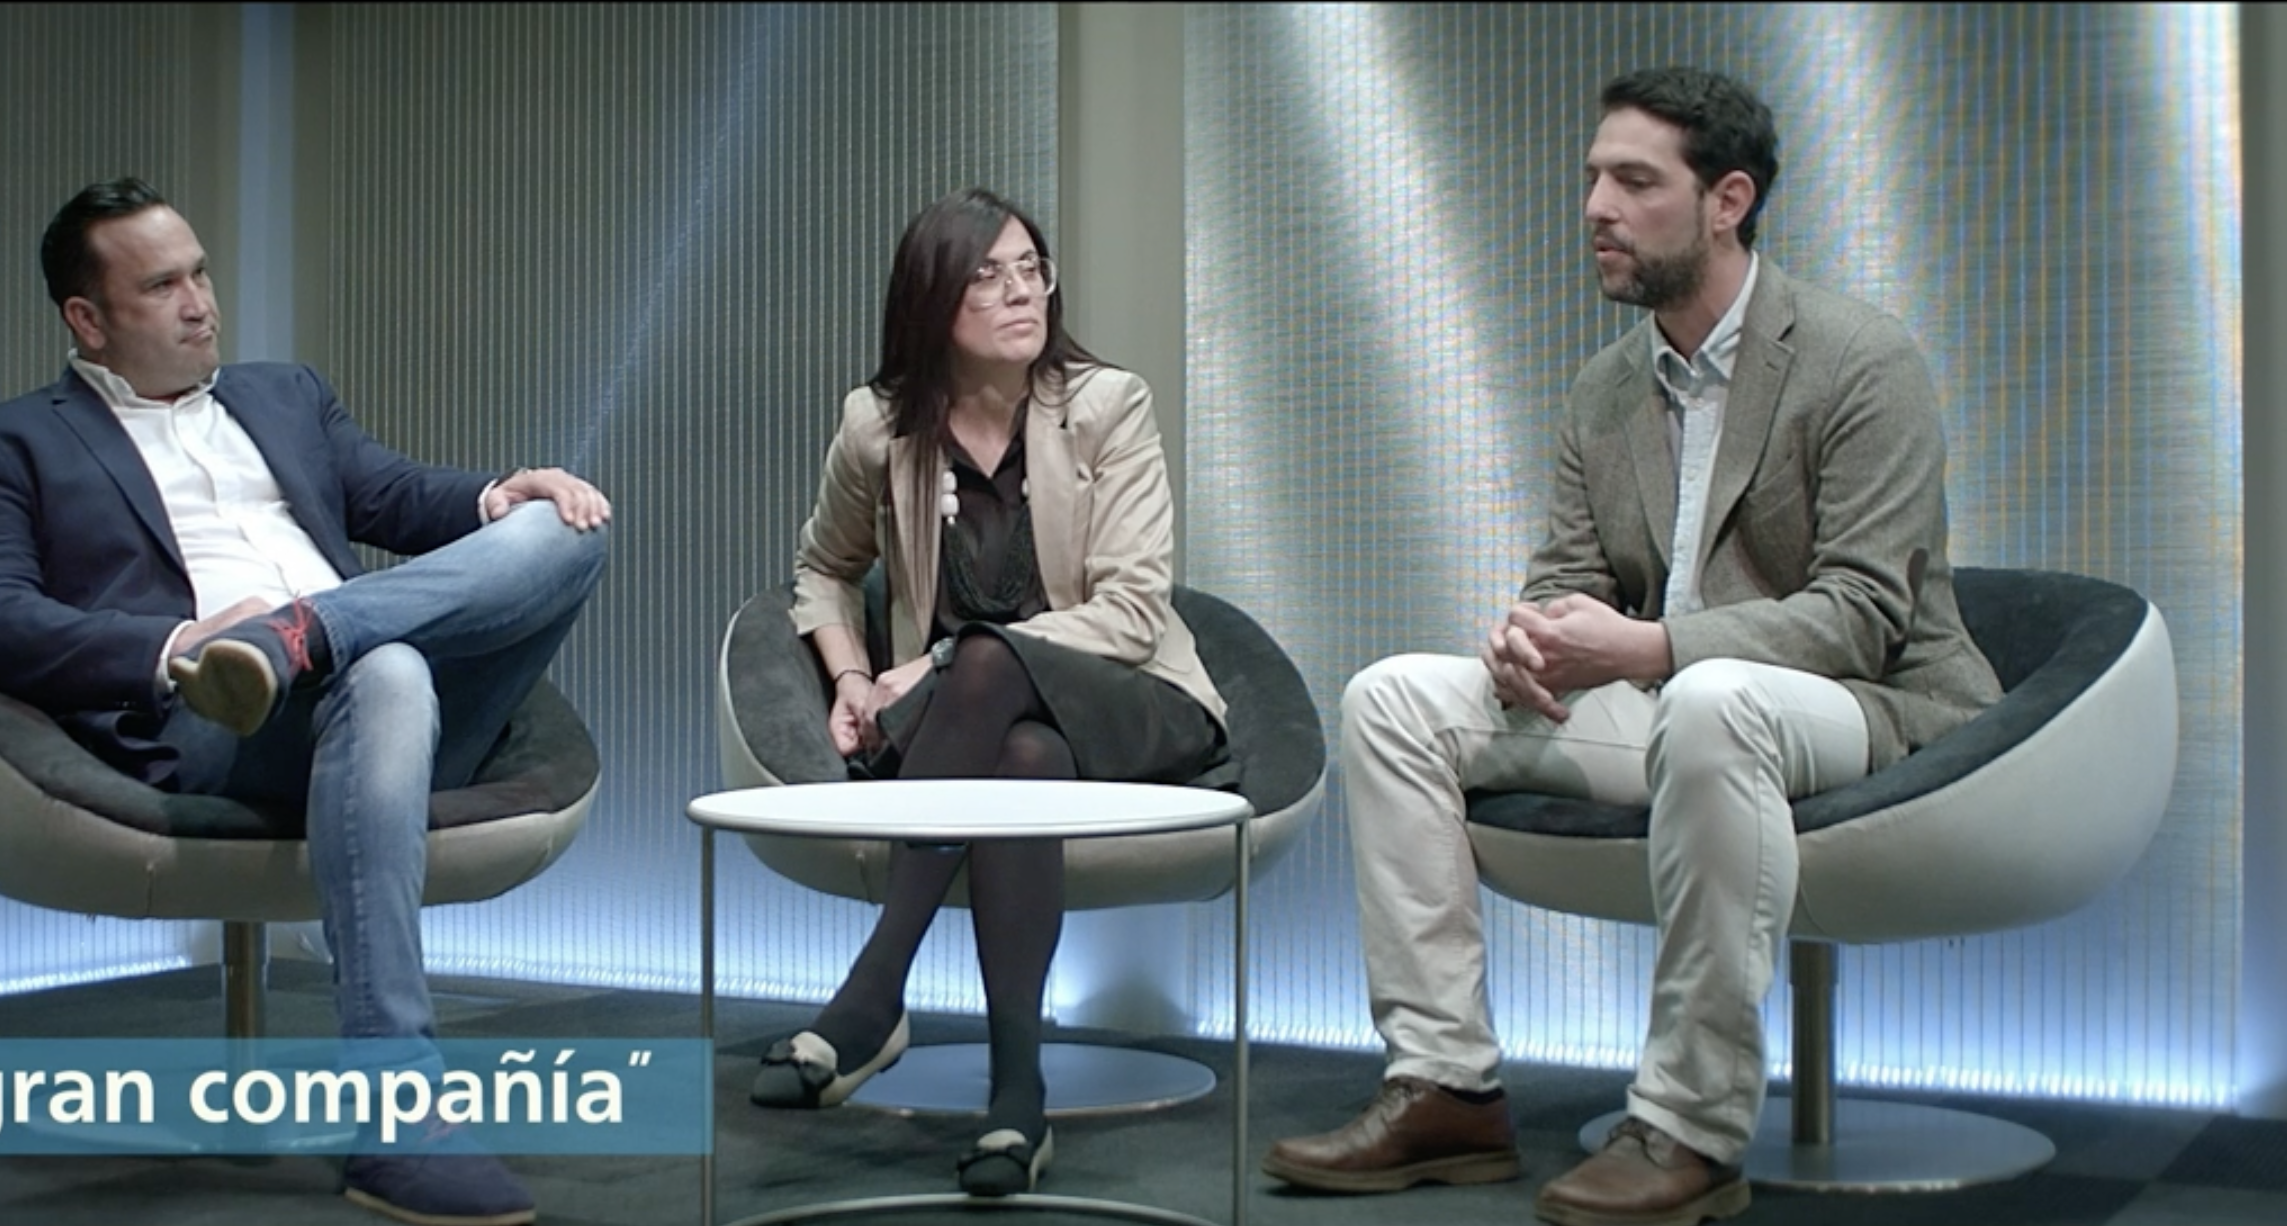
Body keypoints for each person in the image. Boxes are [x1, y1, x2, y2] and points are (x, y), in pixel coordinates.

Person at [1261, 67, 2002, 1226]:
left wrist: (1651, 645)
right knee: (1394, 696)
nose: (1597, 207)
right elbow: (1570, 579)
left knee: (1713, 698)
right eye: (1594, 178)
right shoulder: (1605, 386)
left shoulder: (1861, 359)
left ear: (1728, 200)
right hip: (1682, 706)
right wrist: (1533, 638)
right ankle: (1446, 1085)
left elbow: (1864, 612)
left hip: (1862, 699)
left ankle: (1689, 1125)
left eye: (1635, 181)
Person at [0, 178, 612, 1226]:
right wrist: (177, 646)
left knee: (566, 526)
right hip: (219, 722)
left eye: (200, 273)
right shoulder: (4, 442)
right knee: (387, 670)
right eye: (163, 286)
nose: (201, 302)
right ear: (88, 318)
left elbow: (391, 494)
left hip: (400, 706)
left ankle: (302, 633)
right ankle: (398, 1113)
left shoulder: (284, 394)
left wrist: (494, 496)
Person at [751, 187, 1234, 1197]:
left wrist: (932, 664)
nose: (1022, 292)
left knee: (977, 661)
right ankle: (1019, 1094)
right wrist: (850, 674)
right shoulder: (880, 426)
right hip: (995, 738)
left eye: (1031, 269)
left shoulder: (1107, 405)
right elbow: (823, 569)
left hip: (1133, 702)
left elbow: (1132, 612)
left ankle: (874, 991)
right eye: (988, 275)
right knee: (1023, 756)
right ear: (932, 303)